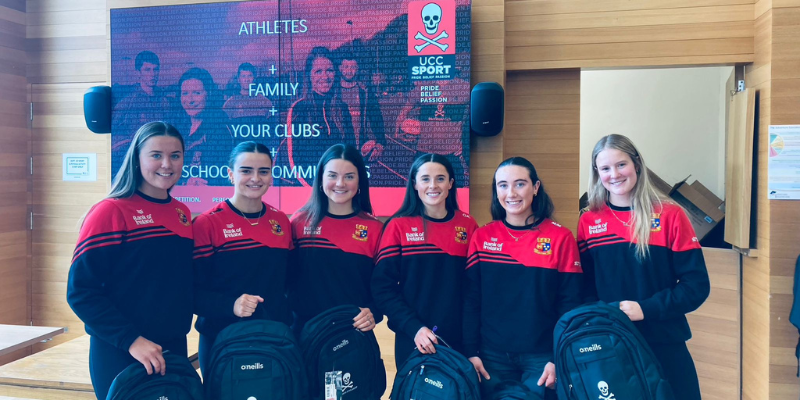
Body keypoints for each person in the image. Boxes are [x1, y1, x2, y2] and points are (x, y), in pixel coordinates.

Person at [577, 134, 710, 400]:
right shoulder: (588, 220)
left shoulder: (670, 215)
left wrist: (645, 309)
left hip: (665, 342)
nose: (614, 174)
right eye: (605, 168)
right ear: (597, 173)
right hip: (612, 344)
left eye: (621, 164)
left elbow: (696, 286)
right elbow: (584, 287)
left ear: (636, 164)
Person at [67, 121, 193, 400]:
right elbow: (81, 293)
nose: (167, 164)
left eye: (175, 155)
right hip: (122, 350)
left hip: (172, 347)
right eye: (156, 155)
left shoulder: (182, 213)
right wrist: (132, 341)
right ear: (137, 158)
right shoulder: (110, 212)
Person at [463, 157, 583, 399]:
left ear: (535, 187)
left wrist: (558, 356)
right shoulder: (482, 237)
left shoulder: (560, 237)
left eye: (520, 184)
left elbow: (570, 304)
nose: (511, 193)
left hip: (542, 357)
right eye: (503, 185)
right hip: (491, 356)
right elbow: (472, 299)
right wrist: (471, 351)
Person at [192, 141, 293, 376]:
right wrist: (231, 305)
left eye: (263, 171)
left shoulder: (281, 221)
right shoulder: (207, 223)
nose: (255, 178)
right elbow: (191, 293)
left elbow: (288, 283)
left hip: (273, 339)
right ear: (230, 174)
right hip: (221, 340)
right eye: (246, 170)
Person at [371, 153, 477, 368]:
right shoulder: (398, 226)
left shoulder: (468, 225)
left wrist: (472, 343)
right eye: (425, 179)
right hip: (414, 338)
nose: (433, 185)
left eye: (440, 178)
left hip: (459, 339)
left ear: (451, 184)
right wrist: (414, 328)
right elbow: (383, 288)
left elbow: (473, 289)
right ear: (414, 184)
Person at [289, 144, 383, 335]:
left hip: (353, 335)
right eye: (332, 175)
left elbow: (383, 287)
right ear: (321, 178)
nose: (340, 183)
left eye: (349, 176)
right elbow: (284, 280)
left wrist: (374, 312)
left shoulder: (375, 229)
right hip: (304, 335)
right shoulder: (298, 222)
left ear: (360, 181)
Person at [282, 47, 354, 186]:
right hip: (311, 191)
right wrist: (315, 191)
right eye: (318, 71)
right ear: (309, 76)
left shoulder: (343, 108)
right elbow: (294, 162)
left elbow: (350, 152)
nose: (325, 77)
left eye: (329, 71)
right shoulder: (298, 109)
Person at [111, 51, 172, 169]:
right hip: (136, 162)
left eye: (155, 69)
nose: (153, 74)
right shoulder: (127, 102)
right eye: (147, 70)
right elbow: (114, 132)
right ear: (138, 72)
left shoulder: (165, 102)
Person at [176, 67, 233, 186]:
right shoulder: (176, 129)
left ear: (209, 94)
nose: (190, 100)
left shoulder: (220, 131)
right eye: (185, 93)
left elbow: (221, 178)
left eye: (197, 93)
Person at [334, 51, 385, 162]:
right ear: (340, 68)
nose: (349, 71)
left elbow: (376, 117)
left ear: (357, 69)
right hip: (339, 150)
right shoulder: (333, 92)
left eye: (353, 67)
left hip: (361, 149)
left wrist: (381, 142)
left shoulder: (365, 91)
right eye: (346, 67)